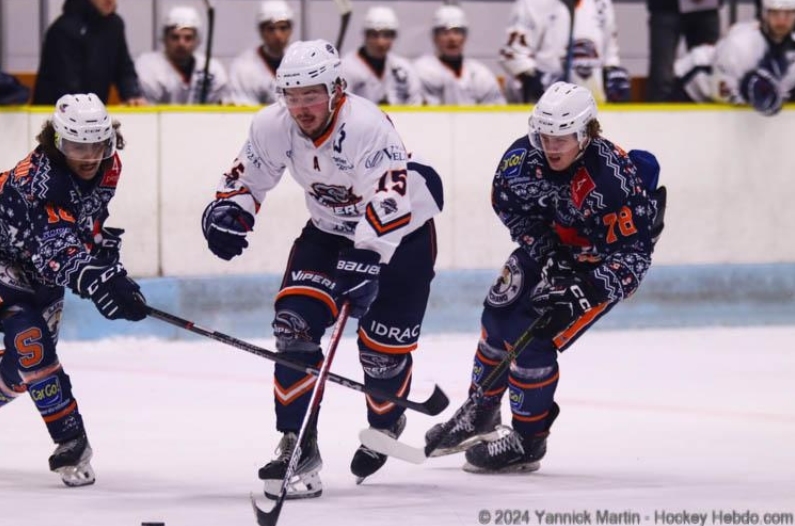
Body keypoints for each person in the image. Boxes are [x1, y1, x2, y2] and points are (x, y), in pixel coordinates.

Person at [201, 40, 443, 497]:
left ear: (337, 90)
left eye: (311, 95)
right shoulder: (273, 125)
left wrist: (368, 255)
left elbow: (390, 196)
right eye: (291, 96)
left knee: (381, 354)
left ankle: (386, 422)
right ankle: (298, 443)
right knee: (293, 325)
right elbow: (247, 177)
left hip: (401, 236)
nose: (301, 107)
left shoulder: (366, 125)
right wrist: (230, 211)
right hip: (329, 233)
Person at [424, 81, 665, 473]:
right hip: (552, 250)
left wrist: (585, 292)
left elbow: (634, 258)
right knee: (497, 315)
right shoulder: (521, 161)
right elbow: (509, 207)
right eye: (545, 136)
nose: (551, 147)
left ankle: (528, 441)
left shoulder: (612, 179)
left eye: (562, 138)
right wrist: (547, 252)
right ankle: (481, 411)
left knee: (534, 338)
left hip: (595, 268)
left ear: (586, 134)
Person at [0, 93, 148, 486]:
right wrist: (101, 280)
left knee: (24, 367)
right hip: (7, 258)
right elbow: (57, 249)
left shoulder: (109, 166)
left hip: (37, 266)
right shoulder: (36, 183)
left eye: (97, 145)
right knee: (31, 342)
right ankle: (70, 439)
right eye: (77, 147)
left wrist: (109, 267)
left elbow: (86, 223)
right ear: (57, 143)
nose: (88, 156)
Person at [672, 0, 795, 115]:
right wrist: (746, 93)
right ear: (764, 14)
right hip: (692, 86)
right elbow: (720, 89)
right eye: (775, 13)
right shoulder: (740, 42)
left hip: (725, 97)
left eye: (788, 14)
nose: (782, 21)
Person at [502, 0, 632, 103]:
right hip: (544, 108)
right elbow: (513, 55)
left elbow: (610, 54)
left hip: (591, 105)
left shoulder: (601, 3)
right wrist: (538, 80)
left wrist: (613, 73)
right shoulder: (532, 3)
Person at [33, 0, 146, 106]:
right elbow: (67, 85)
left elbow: (124, 68)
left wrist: (132, 94)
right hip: (53, 113)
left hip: (93, 111)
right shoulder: (63, 30)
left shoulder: (114, 25)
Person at [413, 5, 506, 105]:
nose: (452, 39)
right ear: (435, 38)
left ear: (465, 37)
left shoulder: (480, 73)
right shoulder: (421, 70)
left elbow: (497, 109)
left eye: (457, 32)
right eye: (445, 33)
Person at [135, 6, 229, 104]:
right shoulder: (149, 67)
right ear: (164, 39)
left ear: (197, 41)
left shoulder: (212, 69)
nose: (181, 43)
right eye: (175, 37)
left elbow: (218, 110)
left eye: (188, 38)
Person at [341, 6, 424, 105]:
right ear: (366, 35)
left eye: (387, 35)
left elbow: (415, 103)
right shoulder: (346, 67)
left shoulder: (403, 68)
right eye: (374, 35)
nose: (380, 42)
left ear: (394, 36)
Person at [645, 0, 721, 101]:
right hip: (666, 8)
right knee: (662, 78)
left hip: (706, 9)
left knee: (710, 74)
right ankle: (658, 109)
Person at [227, 0, 295, 106]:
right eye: (271, 29)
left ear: (290, 30)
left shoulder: (299, 62)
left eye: (283, 28)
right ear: (261, 31)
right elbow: (243, 110)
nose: (278, 35)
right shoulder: (243, 67)